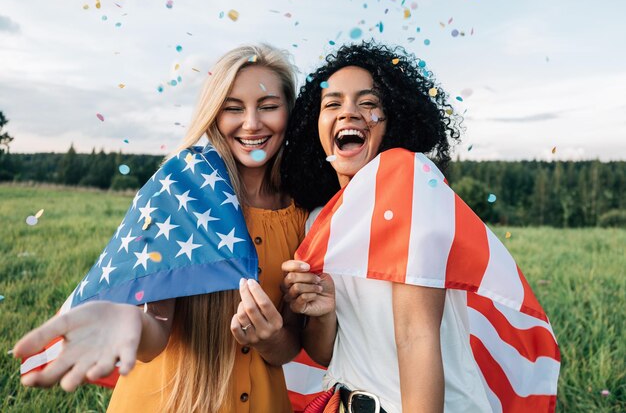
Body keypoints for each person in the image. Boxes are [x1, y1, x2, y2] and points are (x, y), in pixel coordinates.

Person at [13, 44, 308, 413]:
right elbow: (155, 332)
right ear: (214, 115)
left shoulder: (303, 214)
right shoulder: (178, 191)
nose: (251, 123)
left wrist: (270, 337)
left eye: (268, 106)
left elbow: (291, 346)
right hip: (168, 401)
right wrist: (129, 322)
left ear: (289, 111)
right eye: (233, 108)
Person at [280, 41, 560, 412]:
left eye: (368, 103)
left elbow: (416, 335)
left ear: (392, 119)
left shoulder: (412, 182)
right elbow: (325, 353)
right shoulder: (319, 221)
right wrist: (324, 311)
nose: (349, 112)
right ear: (314, 126)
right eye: (332, 104)